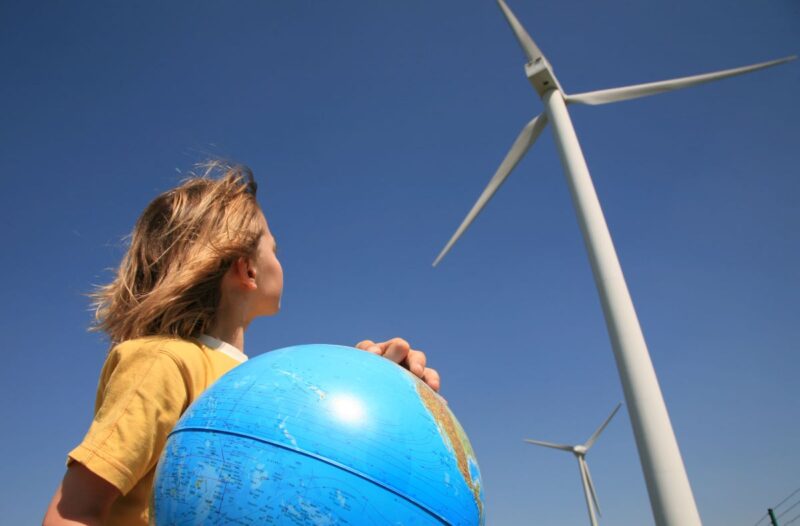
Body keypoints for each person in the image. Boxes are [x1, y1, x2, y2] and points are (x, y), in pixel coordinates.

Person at [42, 163, 440, 526]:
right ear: (247, 270)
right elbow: (73, 511)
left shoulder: (256, 383)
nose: (281, 261)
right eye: (274, 250)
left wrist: (371, 381)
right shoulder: (162, 362)